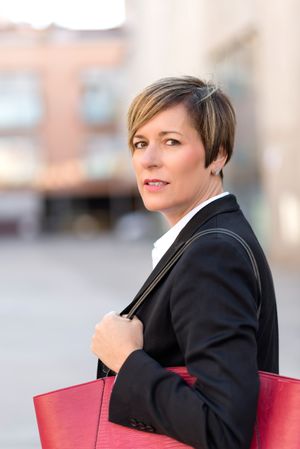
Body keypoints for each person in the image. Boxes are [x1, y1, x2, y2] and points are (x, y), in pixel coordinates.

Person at [91, 76, 279, 449]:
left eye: (171, 142)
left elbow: (224, 431)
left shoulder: (213, 255)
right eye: (140, 143)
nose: (148, 159)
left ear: (219, 154)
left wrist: (127, 360)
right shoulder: (209, 238)